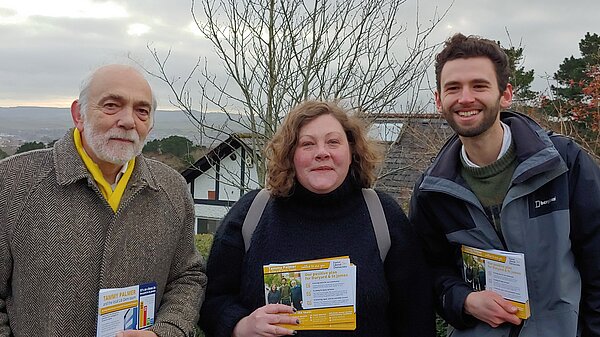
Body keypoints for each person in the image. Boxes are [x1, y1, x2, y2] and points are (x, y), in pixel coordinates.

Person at [409, 33, 600, 337]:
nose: (465, 98)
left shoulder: (565, 164)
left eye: (479, 86)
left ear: (506, 94)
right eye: (453, 88)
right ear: (438, 100)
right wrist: (465, 300)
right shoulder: (432, 191)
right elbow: (428, 274)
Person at [0, 64, 207, 336]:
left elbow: (187, 277)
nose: (128, 121)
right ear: (79, 114)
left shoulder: (172, 188)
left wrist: (166, 331)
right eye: (111, 105)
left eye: (142, 111)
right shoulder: (15, 182)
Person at [198, 100, 435, 337]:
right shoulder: (252, 214)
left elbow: (416, 317)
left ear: (351, 151)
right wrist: (240, 326)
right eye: (307, 144)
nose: (322, 153)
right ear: (290, 155)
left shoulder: (383, 216)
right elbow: (211, 301)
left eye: (333, 142)